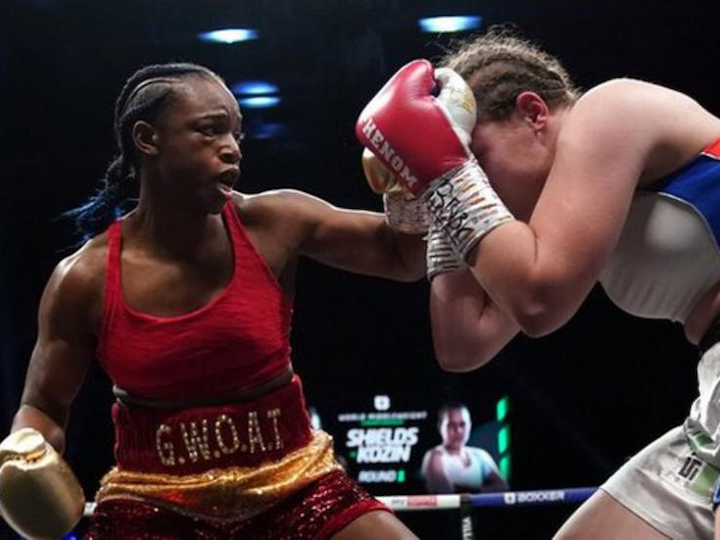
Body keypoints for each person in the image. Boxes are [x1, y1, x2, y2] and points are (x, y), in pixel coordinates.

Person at [1, 62, 426, 539]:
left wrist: (416, 176)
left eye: (237, 134)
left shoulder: (274, 222)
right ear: (147, 138)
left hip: (294, 482)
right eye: (210, 131)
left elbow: (402, 257)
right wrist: (27, 451)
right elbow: (43, 403)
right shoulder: (83, 279)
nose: (232, 149)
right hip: (153, 500)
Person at [356, 25, 720, 540]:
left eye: (478, 160)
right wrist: (437, 199)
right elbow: (462, 343)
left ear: (532, 113)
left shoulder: (610, 110)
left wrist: (446, 174)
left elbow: (538, 301)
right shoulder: (563, 226)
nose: (476, 185)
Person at [421, 402, 507, 494]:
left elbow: (504, 488)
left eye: (462, 424)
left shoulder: (480, 455)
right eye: (451, 425)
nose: (458, 430)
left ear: (470, 425)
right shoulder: (435, 456)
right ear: (440, 427)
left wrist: (467, 490)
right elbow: (447, 494)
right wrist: (482, 491)